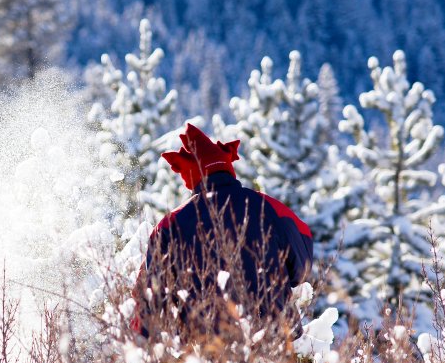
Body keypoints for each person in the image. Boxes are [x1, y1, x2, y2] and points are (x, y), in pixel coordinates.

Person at [133, 123, 313, 339]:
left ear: (193, 178)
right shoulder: (270, 207)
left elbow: (150, 300)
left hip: (206, 351)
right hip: (276, 340)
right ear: (228, 169)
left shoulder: (170, 226)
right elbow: (303, 263)